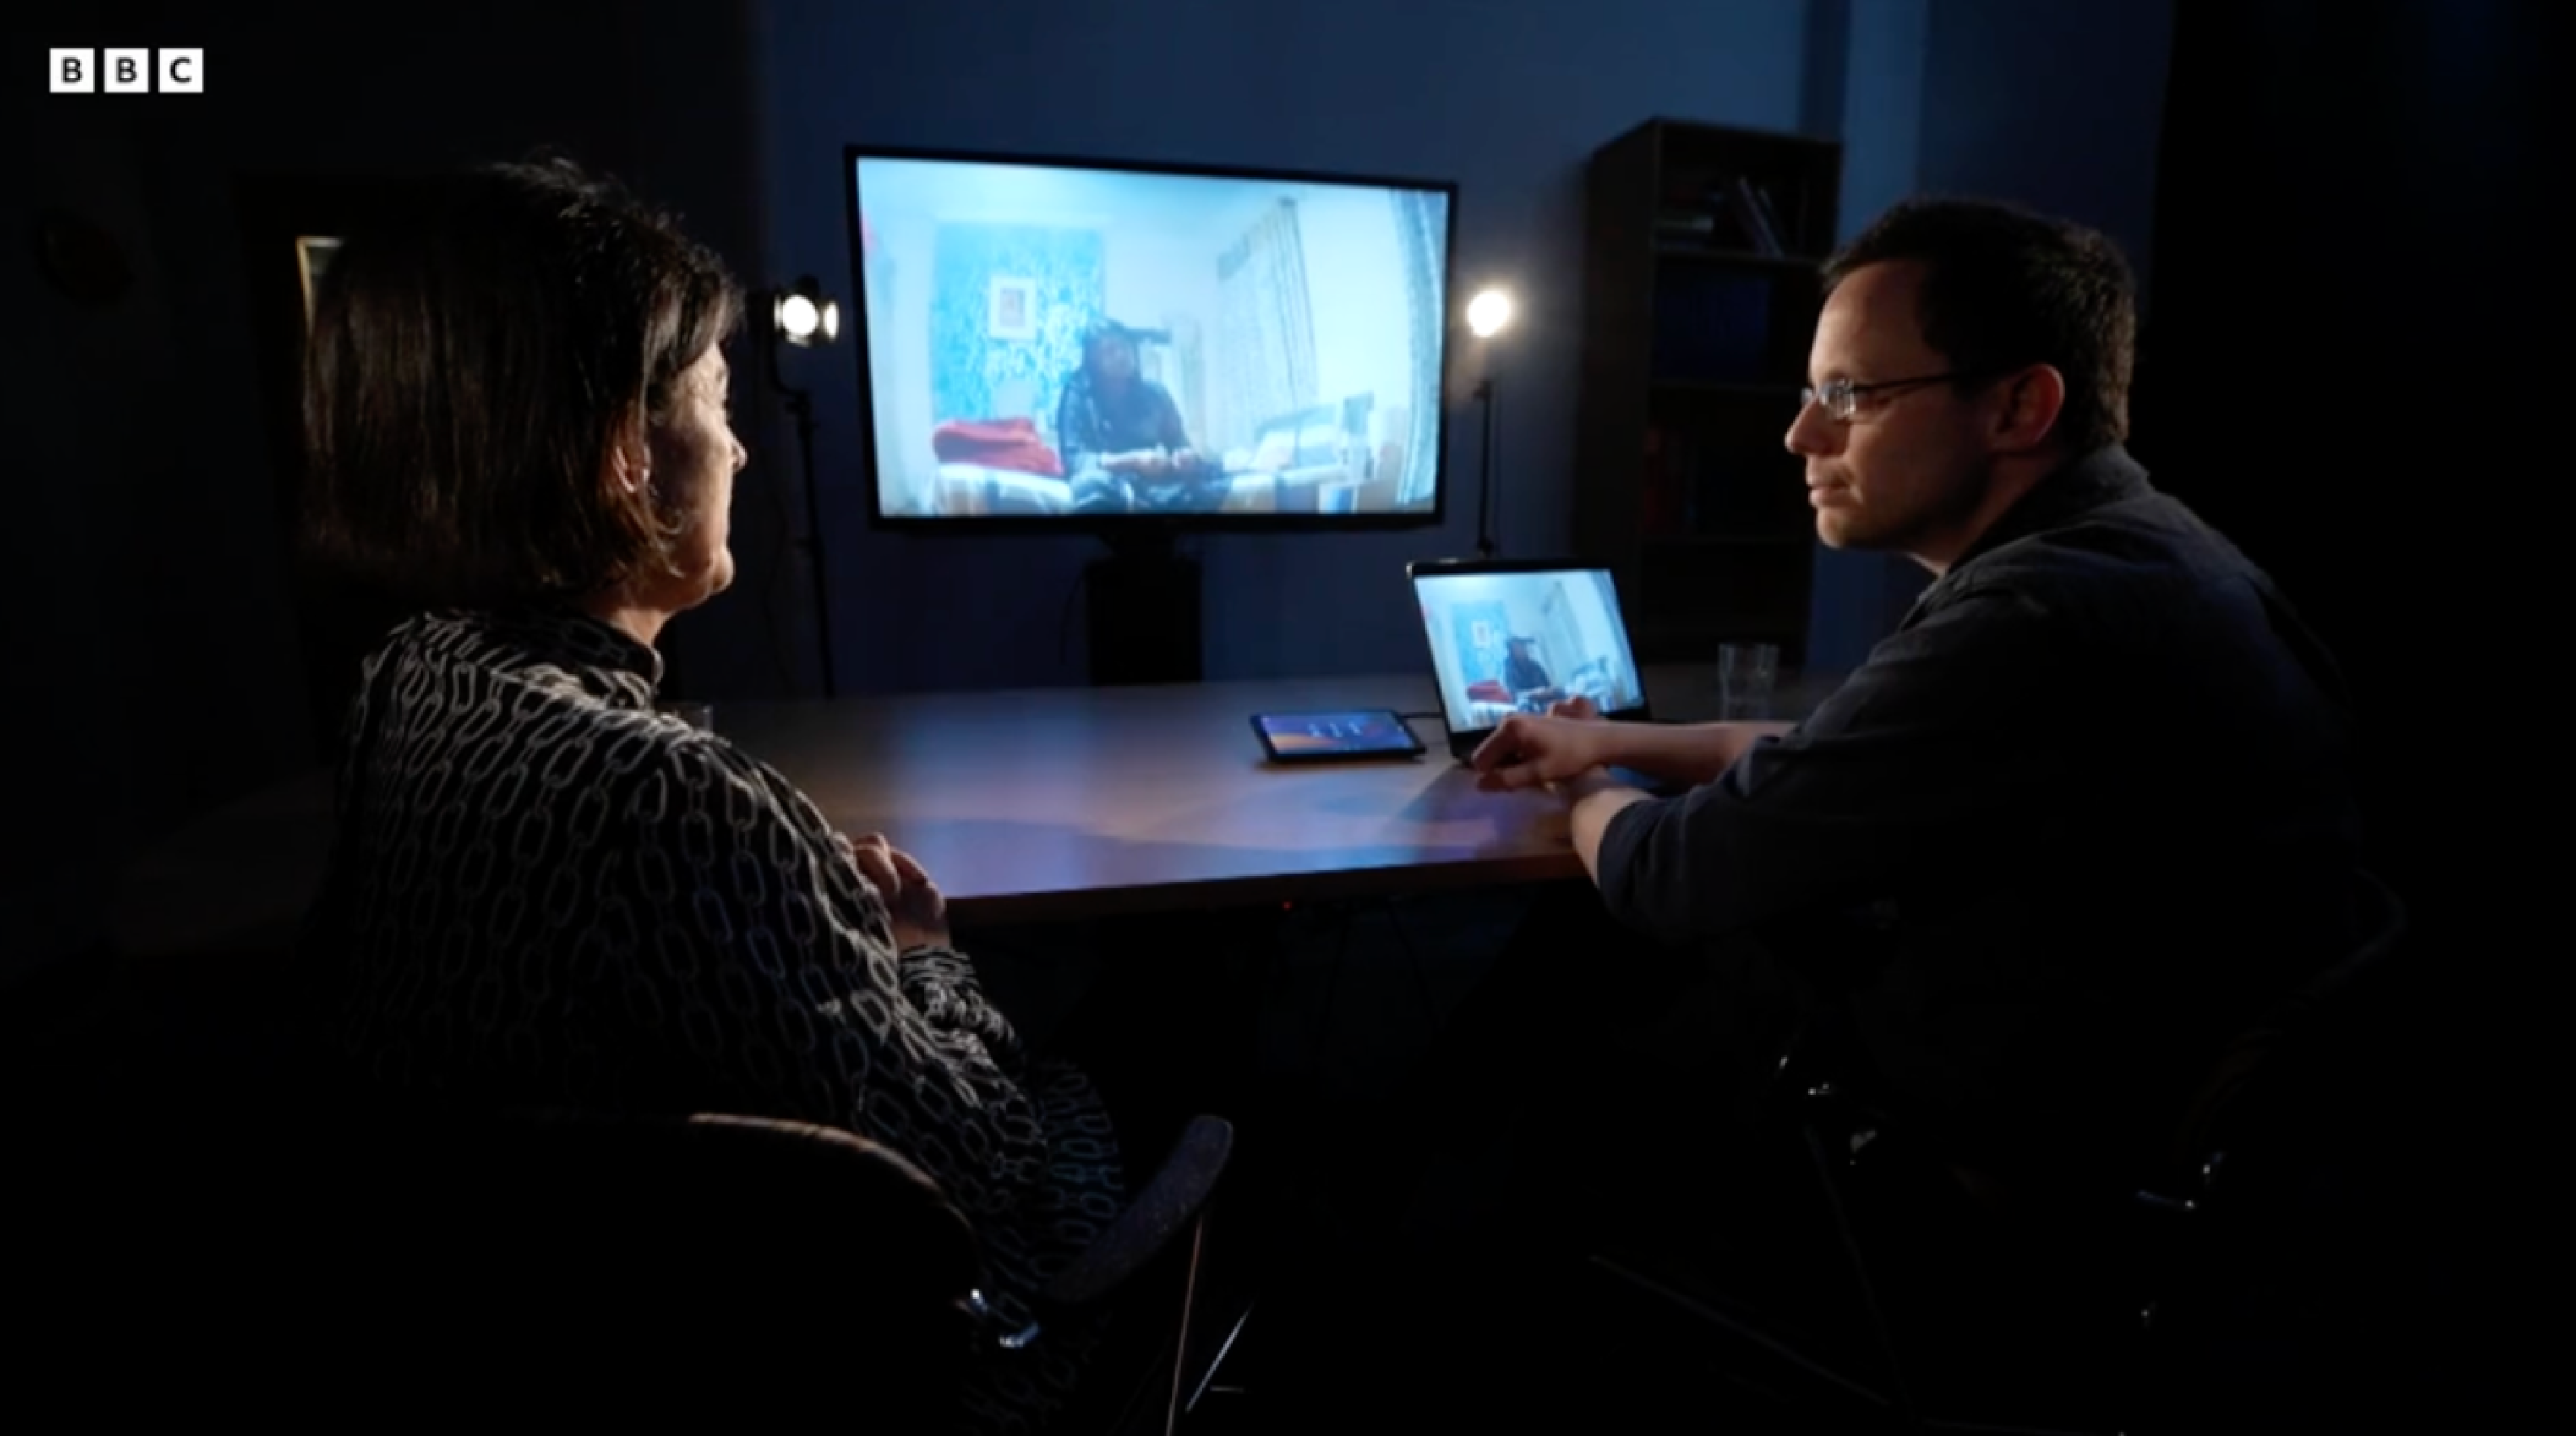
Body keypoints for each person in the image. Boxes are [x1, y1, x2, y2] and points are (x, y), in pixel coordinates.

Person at [1276, 197, 2384, 1422]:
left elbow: (1669, 872)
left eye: (1851, 394)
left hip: (1999, 1167)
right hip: (2192, 1154)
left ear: (2020, 406)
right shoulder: (2157, 558)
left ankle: (1412, 1257)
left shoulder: (2027, 619)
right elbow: (1831, 759)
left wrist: (1581, 787)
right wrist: (1612, 739)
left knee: (1608, 929)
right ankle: (1400, 1186)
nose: (1802, 432)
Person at [293, 156, 1126, 1433]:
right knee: (1112, 1067)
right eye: (717, 399)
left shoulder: (408, 681)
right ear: (626, 456)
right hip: (857, 1353)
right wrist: (924, 956)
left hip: (507, 1324)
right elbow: (971, 1158)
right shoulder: (669, 795)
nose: (737, 445)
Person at [1056, 318, 1224, 513]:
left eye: (1124, 346)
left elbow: (1178, 442)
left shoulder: (1155, 394)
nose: (1121, 355)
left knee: (1209, 483)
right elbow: (1076, 460)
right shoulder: (1078, 396)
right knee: (1089, 484)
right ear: (1093, 362)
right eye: (1110, 350)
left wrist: (1184, 457)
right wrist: (1133, 461)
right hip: (1108, 482)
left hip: (1154, 485)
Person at [1499, 635, 1562, 709]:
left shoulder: (1535, 665)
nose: (1522, 649)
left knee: (1561, 693)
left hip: (1545, 698)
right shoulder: (1509, 670)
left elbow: (1548, 685)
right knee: (1525, 705)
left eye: (1522, 646)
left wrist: (1549, 691)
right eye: (1517, 648)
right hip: (1527, 702)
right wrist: (1534, 694)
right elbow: (1514, 693)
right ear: (1511, 652)